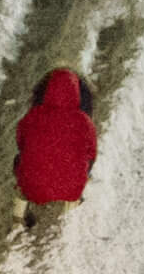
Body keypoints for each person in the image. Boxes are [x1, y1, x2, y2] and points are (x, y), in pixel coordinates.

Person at [13, 67, 97, 229]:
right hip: (70, 187)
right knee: (85, 161)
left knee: (20, 159)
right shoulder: (84, 121)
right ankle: (72, 207)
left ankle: (19, 214)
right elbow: (91, 152)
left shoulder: (33, 115)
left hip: (32, 186)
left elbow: (21, 142)